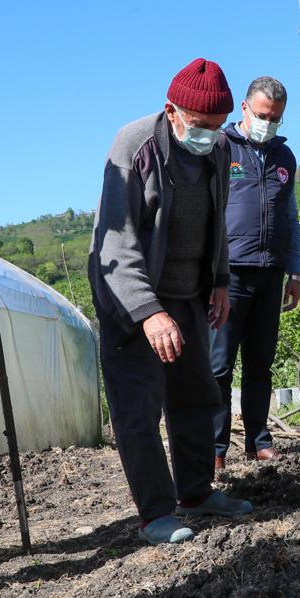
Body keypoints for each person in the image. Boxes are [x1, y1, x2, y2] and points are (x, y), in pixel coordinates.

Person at [89, 58, 253, 546]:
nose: (210, 136)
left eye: (219, 126)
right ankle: (156, 513)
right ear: (171, 111)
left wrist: (219, 280)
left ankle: (196, 493)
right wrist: (148, 312)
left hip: (188, 295)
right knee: (138, 408)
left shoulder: (219, 148)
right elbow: (115, 241)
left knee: (197, 396)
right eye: (201, 125)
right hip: (131, 299)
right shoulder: (134, 144)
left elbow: (216, 221)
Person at [211, 77, 300, 470]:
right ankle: (214, 449)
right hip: (228, 274)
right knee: (219, 366)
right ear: (245, 109)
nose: (268, 123)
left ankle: (258, 440)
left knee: (260, 364)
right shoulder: (221, 148)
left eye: (276, 118)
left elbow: (292, 218)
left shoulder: (285, 157)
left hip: (271, 272)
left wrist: (293, 272)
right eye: (263, 115)